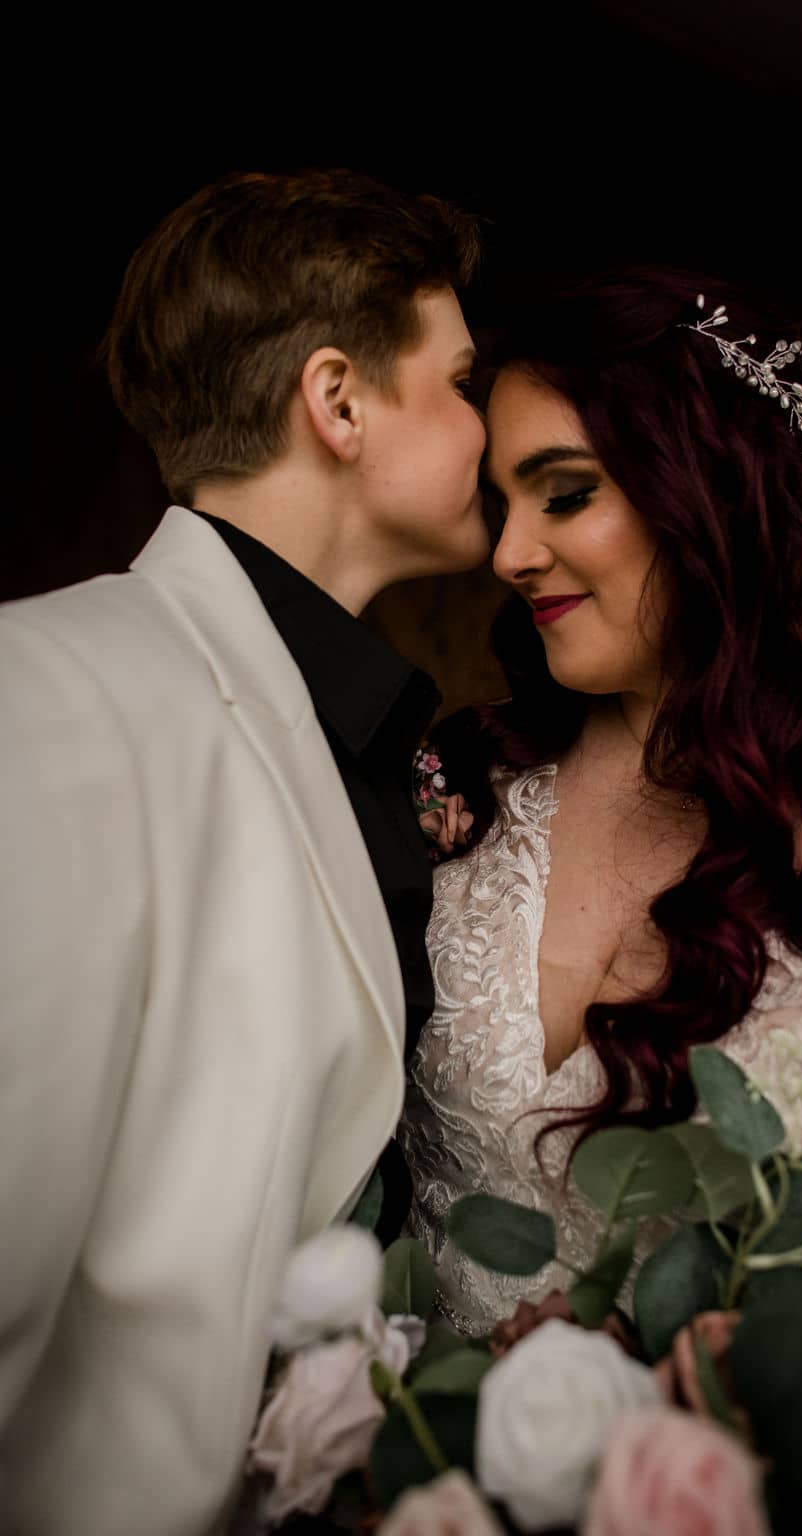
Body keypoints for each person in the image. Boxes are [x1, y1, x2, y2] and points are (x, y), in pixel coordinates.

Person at [398, 269, 802, 1336]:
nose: (508, 554)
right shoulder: (473, 791)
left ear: (713, 490)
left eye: (564, 492)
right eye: (501, 505)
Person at [1, 168, 487, 1536]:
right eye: (459, 380)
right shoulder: (50, 692)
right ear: (337, 402)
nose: (485, 424)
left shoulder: (369, 730)